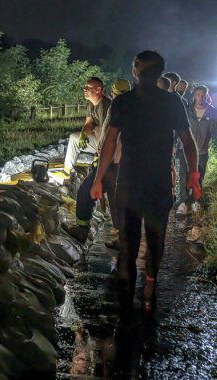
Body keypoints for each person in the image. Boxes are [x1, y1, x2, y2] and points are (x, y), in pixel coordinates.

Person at [90, 50, 201, 314]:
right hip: (158, 183)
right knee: (156, 238)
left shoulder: (124, 102)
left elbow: (109, 143)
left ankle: (127, 296)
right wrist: (193, 174)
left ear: (134, 71)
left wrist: (98, 178)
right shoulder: (171, 101)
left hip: (129, 183)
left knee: (128, 241)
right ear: (159, 72)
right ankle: (149, 283)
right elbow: (188, 142)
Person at [61, 79, 131, 244]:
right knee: (115, 200)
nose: (85, 90)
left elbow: (109, 140)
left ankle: (82, 230)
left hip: (113, 162)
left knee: (87, 191)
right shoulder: (128, 108)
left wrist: (99, 167)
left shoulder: (113, 108)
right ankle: (122, 237)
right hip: (121, 162)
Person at [176, 85, 217, 215]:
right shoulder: (187, 110)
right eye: (198, 95)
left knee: (199, 177)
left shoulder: (213, 112)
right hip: (185, 150)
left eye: (203, 95)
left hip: (202, 152)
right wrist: (174, 145)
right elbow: (178, 129)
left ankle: (196, 201)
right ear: (194, 95)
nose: (201, 97)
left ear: (207, 96)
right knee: (184, 176)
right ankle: (183, 203)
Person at [63, 77, 111, 176]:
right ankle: (67, 172)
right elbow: (88, 123)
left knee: (97, 129)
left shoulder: (104, 106)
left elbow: (104, 133)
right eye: (85, 86)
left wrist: (99, 154)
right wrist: (83, 134)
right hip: (100, 138)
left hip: (109, 144)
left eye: (88, 87)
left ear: (98, 90)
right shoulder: (90, 103)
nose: (84, 89)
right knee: (74, 138)